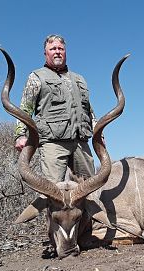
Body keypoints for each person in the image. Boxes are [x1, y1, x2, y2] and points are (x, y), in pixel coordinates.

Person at [15, 34, 95, 183]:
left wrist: (98, 134)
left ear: (65, 52)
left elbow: (88, 110)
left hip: (81, 142)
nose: (57, 51)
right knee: (53, 191)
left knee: (90, 189)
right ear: (46, 53)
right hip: (53, 142)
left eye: (61, 48)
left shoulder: (79, 79)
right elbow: (25, 109)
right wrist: (20, 135)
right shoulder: (36, 76)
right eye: (53, 49)